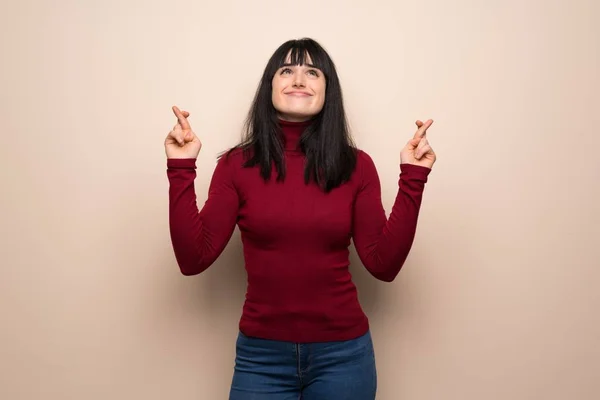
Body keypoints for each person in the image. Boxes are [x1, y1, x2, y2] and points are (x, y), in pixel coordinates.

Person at [164, 38, 436, 400]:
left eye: (312, 72)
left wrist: (413, 177)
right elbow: (193, 259)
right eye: (286, 70)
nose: (298, 79)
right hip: (260, 358)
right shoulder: (236, 165)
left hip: (343, 357)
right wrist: (181, 167)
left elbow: (383, 264)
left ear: (327, 91)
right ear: (270, 87)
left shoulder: (357, 166)